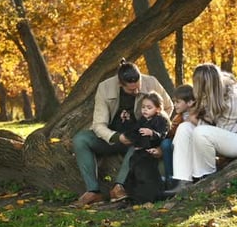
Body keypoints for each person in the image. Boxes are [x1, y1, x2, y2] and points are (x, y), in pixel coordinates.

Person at [71, 59, 173, 207]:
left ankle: (119, 188)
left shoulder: (151, 82)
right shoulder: (105, 88)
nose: (136, 91)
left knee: (139, 143)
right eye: (131, 90)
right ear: (120, 84)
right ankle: (93, 191)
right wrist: (117, 137)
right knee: (80, 139)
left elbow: (167, 107)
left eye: (138, 86)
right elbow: (98, 124)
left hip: (139, 137)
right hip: (112, 137)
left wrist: (155, 127)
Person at [167, 63, 237, 194]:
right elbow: (208, 123)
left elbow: (221, 130)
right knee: (184, 128)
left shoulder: (234, 96)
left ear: (207, 84)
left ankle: (206, 178)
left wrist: (195, 121)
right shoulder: (209, 93)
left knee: (200, 131)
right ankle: (183, 182)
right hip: (219, 134)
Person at [124, 92, 170, 203]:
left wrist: (152, 133)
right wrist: (128, 120)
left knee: (146, 172)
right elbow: (134, 131)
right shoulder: (142, 120)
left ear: (158, 109)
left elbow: (163, 135)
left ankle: (149, 195)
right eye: (143, 107)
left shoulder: (161, 120)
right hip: (140, 151)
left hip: (153, 151)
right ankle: (134, 195)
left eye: (149, 108)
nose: (145, 110)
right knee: (134, 169)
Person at [158, 84, 195, 189]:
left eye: (178, 102)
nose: (175, 105)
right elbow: (170, 134)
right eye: (174, 102)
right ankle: (171, 179)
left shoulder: (197, 114)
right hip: (177, 146)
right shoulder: (178, 117)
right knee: (165, 144)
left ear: (190, 102)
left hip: (191, 147)